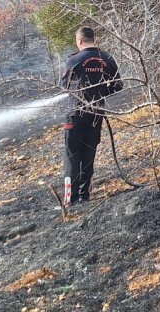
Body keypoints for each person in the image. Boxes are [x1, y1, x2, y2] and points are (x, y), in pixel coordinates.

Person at [60, 25, 121, 205]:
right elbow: (118, 85)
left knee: (72, 156)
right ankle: (84, 196)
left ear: (79, 41)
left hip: (75, 114)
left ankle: (70, 200)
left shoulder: (73, 61)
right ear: (94, 39)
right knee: (89, 154)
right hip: (96, 114)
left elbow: (63, 86)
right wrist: (100, 94)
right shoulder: (107, 58)